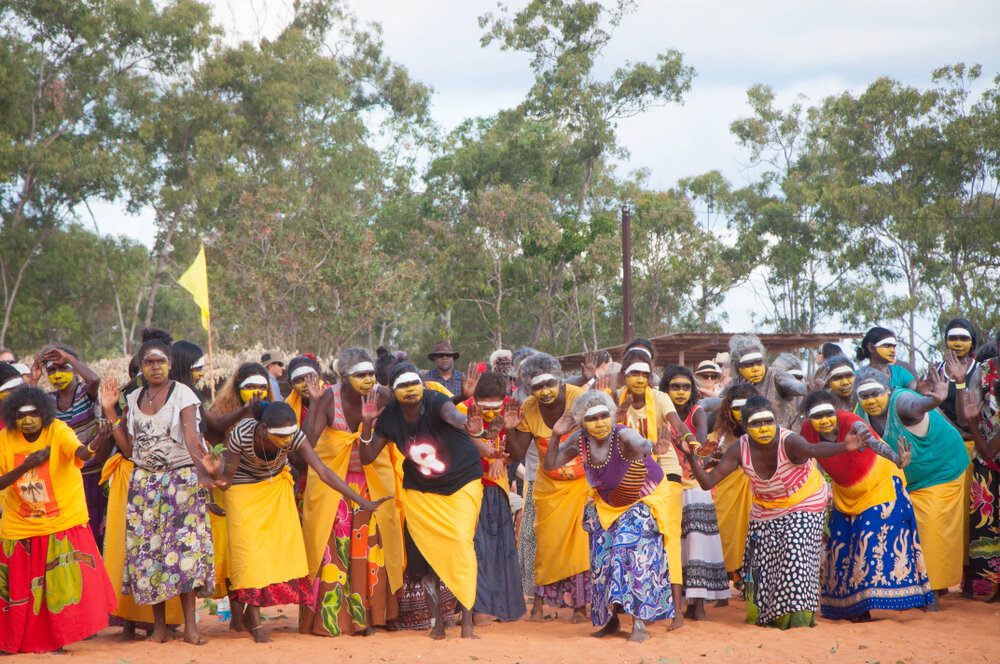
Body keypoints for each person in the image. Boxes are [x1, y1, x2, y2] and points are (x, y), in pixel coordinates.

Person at [214, 400, 389, 642]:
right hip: (241, 491)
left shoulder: (292, 435)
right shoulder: (241, 435)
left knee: (277, 553)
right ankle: (255, 625)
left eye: (290, 434)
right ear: (263, 428)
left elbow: (323, 471)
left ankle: (245, 619)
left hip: (275, 489)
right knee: (249, 556)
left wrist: (361, 500)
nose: (287, 440)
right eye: (280, 436)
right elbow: (225, 482)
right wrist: (212, 472)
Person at [680, 395, 852, 629]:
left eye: (768, 421)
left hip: (804, 499)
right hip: (766, 505)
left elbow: (814, 449)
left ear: (775, 421)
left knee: (795, 554)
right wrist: (691, 457)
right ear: (746, 427)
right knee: (761, 561)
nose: (763, 428)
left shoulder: (789, 441)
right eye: (756, 423)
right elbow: (708, 482)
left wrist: (844, 446)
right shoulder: (740, 448)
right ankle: (767, 616)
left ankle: (797, 622)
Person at [360, 362, 489, 639]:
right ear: (393, 391)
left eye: (414, 384)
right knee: (424, 555)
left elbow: (451, 413)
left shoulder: (435, 400)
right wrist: (367, 423)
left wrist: (465, 423)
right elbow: (367, 457)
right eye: (403, 386)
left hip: (460, 483)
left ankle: (467, 623)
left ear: (422, 385)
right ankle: (437, 624)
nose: (410, 390)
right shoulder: (390, 416)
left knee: (460, 544)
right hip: (421, 490)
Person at [101, 339, 217, 645]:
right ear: (141, 366)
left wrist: (203, 469)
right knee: (149, 553)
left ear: (170, 364)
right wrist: (110, 411)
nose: (155, 367)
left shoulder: (183, 393)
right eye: (149, 362)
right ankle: (159, 628)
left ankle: (191, 629)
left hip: (181, 482)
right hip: (145, 484)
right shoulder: (133, 398)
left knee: (185, 553)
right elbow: (129, 449)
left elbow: (191, 436)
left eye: (161, 361)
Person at [546, 391, 674, 642]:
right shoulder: (578, 440)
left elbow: (640, 443)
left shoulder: (622, 434)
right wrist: (554, 435)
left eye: (604, 416)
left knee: (627, 548)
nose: (600, 423)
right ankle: (610, 619)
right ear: (582, 422)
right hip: (607, 503)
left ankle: (639, 623)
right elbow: (550, 464)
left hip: (643, 498)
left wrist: (653, 447)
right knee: (601, 559)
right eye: (592, 419)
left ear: (612, 416)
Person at [798, 390, 933, 620]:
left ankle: (872, 607)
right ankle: (849, 608)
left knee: (867, 542)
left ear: (836, 412)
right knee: (840, 545)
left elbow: (871, 441)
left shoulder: (852, 422)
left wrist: (896, 459)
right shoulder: (806, 431)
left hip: (878, 486)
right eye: (817, 417)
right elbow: (806, 456)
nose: (825, 420)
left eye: (829, 414)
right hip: (846, 493)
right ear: (809, 419)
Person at [0, 387, 116, 654]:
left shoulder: (59, 430)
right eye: (21, 415)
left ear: (44, 414)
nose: (28, 420)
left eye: (33, 414)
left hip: (61, 522)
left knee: (58, 588)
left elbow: (82, 453)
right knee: (17, 590)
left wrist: (97, 442)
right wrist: (27, 466)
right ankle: (12, 641)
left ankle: (56, 640)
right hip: (19, 526)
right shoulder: (4, 439)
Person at [298, 349, 403, 637]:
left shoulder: (384, 396)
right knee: (334, 551)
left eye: (371, 374)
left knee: (371, 550)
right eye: (360, 375)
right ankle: (333, 620)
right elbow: (307, 444)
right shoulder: (327, 398)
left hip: (374, 483)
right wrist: (315, 404)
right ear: (344, 377)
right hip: (334, 486)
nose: (368, 379)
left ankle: (373, 618)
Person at [853, 365, 970, 606]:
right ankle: (913, 586)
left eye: (875, 394)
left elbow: (916, 406)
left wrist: (933, 401)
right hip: (906, 477)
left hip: (942, 468)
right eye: (864, 396)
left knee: (931, 527)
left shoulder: (902, 402)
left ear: (887, 390)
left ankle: (932, 593)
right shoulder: (860, 413)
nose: (871, 400)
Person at [503, 353, 591, 623]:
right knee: (545, 547)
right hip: (548, 489)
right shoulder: (528, 407)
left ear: (560, 380)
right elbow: (517, 454)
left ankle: (580, 607)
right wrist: (509, 429)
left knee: (580, 547)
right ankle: (538, 608)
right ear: (528, 388)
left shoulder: (580, 399)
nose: (545, 391)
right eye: (537, 387)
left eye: (549, 384)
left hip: (582, 485)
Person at [611, 348, 693, 629]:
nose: (639, 378)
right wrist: (618, 414)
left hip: (665, 472)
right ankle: (628, 605)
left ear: (650, 376)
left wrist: (692, 442)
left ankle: (677, 612)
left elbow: (676, 423)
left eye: (644, 374)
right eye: (634, 373)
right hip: (629, 475)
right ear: (624, 375)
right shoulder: (615, 398)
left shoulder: (659, 398)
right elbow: (610, 436)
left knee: (668, 535)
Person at [660, 365, 730, 620]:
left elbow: (698, 446)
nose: (680, 392)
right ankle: (678, 605)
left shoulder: (697, 413)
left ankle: (698, 607)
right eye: (675, 387)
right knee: (675, 544)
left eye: (685, 387)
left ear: (692, 391)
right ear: (666, 390)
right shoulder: (659, 412)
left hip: (693, 482)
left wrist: (697, 451)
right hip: (666, 483)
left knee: (697, 543)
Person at [457, 371, 526, 624]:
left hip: (496, 489)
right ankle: (476, 610)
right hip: (467, 487)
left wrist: (503, 457)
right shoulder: (462, 410)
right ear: (475, 400)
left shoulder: (511, 410)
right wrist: (489, 452)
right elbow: (459, 448)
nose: (488, 413)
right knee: (475, 548)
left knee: (497, 550)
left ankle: (497, 607)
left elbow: (517, 453)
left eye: (494, 408)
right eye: (483, 407)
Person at [37, 345, 108, 547]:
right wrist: (34, 378)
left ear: (74, 370)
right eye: (52, 370)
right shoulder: (48, 401)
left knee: (94, 533)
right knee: (70, 539)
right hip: (64, 481)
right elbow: (27, 405)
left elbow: (94, 380)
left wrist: (68, 357)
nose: (58, 374)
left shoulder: (85, 393)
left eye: (63, 368)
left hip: (93, 475)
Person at [934, 318, 981, 596]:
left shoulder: (979, 372)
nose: (958, 343)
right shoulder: (937, 371)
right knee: (945, 512)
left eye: (964, 338)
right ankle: (939, 576)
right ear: (946, 341)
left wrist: (961, 383)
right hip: (941, 450)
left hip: (970, 446)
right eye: (953, 338)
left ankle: (969, 576)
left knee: (969, 511)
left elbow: (967, 417)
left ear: (972, 342)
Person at [962, 338, 1000, 598]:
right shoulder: (984, 370)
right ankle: (985, 585)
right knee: (984, 524)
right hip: (986, 456)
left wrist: (971, 423)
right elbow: (969, 408)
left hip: (987, 448)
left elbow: (988, 450)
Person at [708, 384, 757, 578]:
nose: (742, 413)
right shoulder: (715, 439)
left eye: (747, 407)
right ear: (728, 410)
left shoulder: (767, 435)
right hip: (723, 502)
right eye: (737, 408)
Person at [729, 334, 805, 432]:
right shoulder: (734, 384)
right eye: (749, 364)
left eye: (759, 362)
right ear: (738, 366)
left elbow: (800, 388)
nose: (755, 368)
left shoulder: (777, 377)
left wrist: (808, 387)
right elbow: (720, 404)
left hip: (784, 437)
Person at [855, 326, 918, 390]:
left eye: (894, 347)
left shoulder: (899, 372)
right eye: (887, 346)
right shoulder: (858, 376)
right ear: (871, 348)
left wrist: (919, 390)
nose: (893, 350)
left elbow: (914, 390)